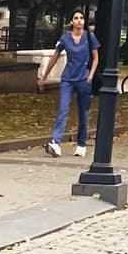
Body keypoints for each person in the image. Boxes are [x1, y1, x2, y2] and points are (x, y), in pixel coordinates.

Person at [37, 11, 99, 158]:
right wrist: (44, 76)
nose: (79, 21)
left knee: (83, 112)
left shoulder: (90, 37)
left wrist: (90, 75)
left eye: (81, 18)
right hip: (68, 79)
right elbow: (54, 57)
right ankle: (55, 142)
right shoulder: (65, 38)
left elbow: (96, 58)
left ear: (84, 21)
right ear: (72, 22)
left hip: (84, 79)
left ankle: (81, 144)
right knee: (62, 109)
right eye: (76, 18)